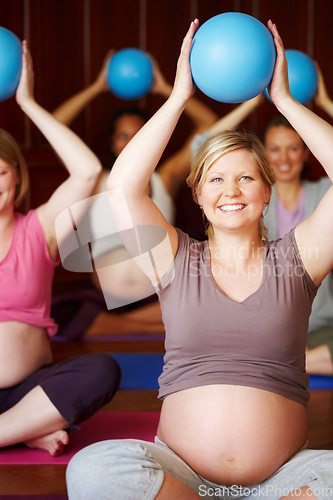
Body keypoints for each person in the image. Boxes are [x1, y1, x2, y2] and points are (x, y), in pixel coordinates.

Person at [66, 19, 333, 499]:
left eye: (247, 178)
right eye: (216, 179)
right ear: (198, 193)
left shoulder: (299, 259)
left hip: (282, 479)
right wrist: (177, 98)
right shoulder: (175, 259)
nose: (231, 190)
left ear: (267, 192)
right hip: (180, 475)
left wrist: (287, 103)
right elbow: (123, 186)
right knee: (92, 468)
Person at [0, 41, 121, 456]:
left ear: (16, 177)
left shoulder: (39, 229)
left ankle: (16, 425)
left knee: (101, 369)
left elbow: (87, 171)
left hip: (31, 387)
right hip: (29, 408)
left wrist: (28, 103)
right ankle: (25, 429)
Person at [51, 50, 218, 339]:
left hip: (158, 296)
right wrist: (97, 88)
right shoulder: (91, 178)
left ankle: (128, 328)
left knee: (205, 302)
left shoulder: (165, 177)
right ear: (112, 142)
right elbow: (54, 124)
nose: (130, 142)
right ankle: (160, 325)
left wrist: (167, 89)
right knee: (66, 314)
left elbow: (208, 126)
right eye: (122, 135)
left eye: (139, 134)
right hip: (105, 300)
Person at [189, 64, 333, 376]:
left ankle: (284, 359)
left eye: (293, 148)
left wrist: (318, 105)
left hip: (320, 323)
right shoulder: (248, 195)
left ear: (306, 152)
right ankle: (285, 357)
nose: (284, 158)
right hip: (265, 318)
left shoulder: (324, 191)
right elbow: (202, 150)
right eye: (275, 150)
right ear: (265, 156)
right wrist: (251, 101)